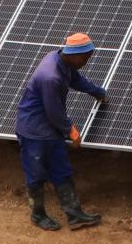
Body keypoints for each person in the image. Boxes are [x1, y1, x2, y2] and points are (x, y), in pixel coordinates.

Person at [14, 32, 113, 231]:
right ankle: (38, 215)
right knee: (36, 173)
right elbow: (54, 112)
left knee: (62, 170)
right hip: (34, 130)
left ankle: (75, 215)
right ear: (74, 54)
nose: (86, 62)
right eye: (85, 58)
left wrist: (96, 92)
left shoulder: (61, 61)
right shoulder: (51, 77)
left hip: (50, 129)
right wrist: (71, 131)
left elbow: (75, 79)